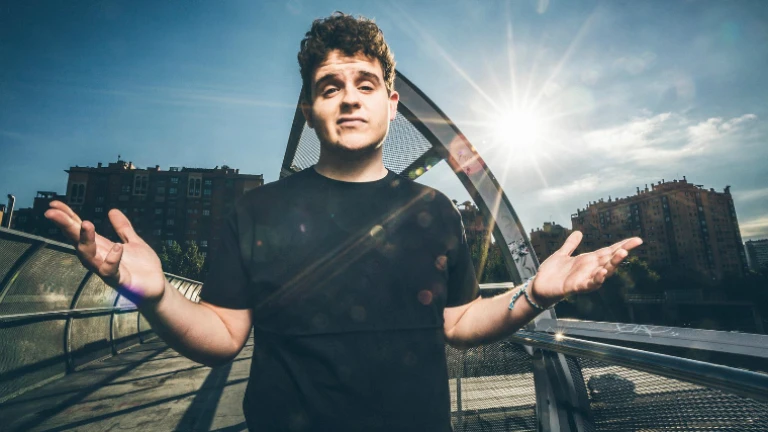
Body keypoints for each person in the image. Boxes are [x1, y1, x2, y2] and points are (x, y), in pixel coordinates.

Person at [46, 12, 642, 432]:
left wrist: (535, 293)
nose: (350, 98)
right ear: (309, 110)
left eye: (366, 84)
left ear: (391, 103)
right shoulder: (256, 211)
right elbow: (223, 337)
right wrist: (153, 295)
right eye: (330, 87)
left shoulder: (434, 210)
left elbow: (459, 322)